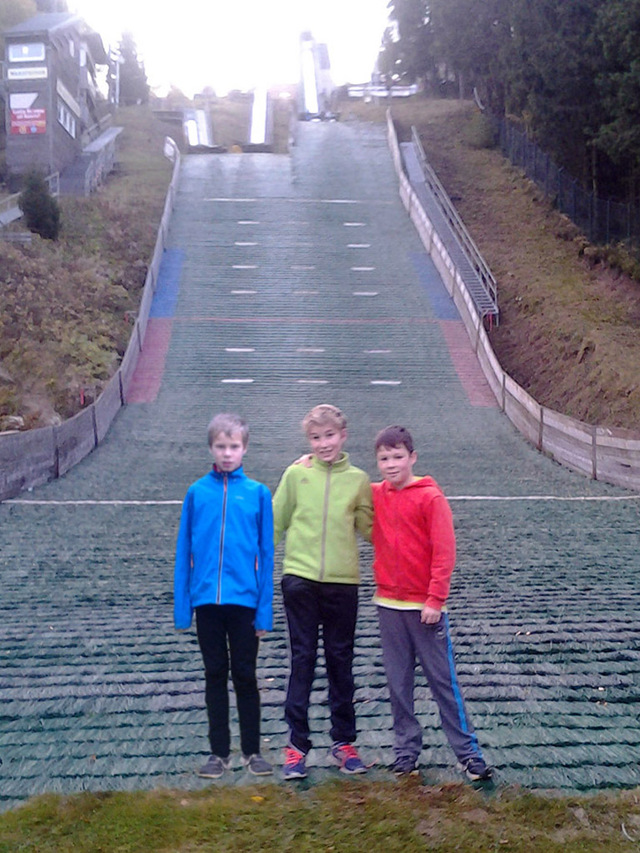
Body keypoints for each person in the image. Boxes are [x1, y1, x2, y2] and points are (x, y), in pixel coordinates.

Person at [372, 424, 493, 781]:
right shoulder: (375, 494)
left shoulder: (430, 498)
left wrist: (434, 599)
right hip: (388, 607)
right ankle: (406, 751)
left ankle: (468, 753)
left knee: (443, 682)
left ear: (412, 457)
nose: (391, 464)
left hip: (425, 610)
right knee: (398, 683)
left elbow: (444, 552)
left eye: (397, 457)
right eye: (383, 458)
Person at [273, 404, 373, 779]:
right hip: (299, 580)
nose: (323, 444)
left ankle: (343, 743)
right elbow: (275, 520)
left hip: (342, 584)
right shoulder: (296, 475)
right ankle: (296, 747)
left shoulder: (359, 480)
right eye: (316, 438)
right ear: (309, 441)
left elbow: (371, 528)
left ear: (343, 436)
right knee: (302, 659)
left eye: (329, 436)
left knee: (340, 661)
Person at [174, 413, 274, 779]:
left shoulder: (258, 494)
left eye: (234, 446)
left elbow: (267, 553)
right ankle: (219, 752)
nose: (228, 453)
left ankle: (252, 751)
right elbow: (184, 550)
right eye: (221, 446)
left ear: (244, 448)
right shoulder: (197, 492)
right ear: (212, 448)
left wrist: (264, 614)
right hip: (206, 605)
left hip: (245, 603)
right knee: (214, 673)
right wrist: (183, 609)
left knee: (245, 674)